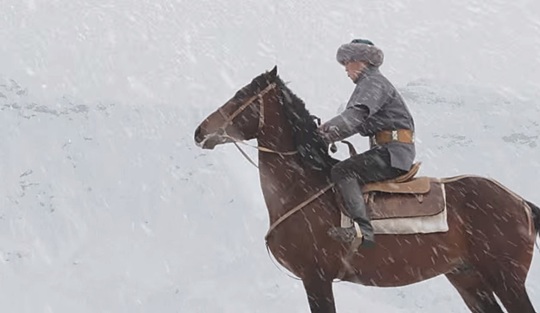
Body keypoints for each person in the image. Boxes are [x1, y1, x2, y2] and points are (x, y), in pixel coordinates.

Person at [317, 39, 416, 248]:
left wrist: (324, 135)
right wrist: (324, 130)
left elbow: (355, 116)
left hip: (392, 154)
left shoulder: (372, 83)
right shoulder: (372, 84)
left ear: (361, 61)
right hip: (392, 151)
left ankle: (363, 230)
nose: (345, 69)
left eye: (347, 62)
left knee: (343, 171)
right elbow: (355, 124)